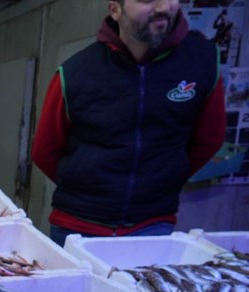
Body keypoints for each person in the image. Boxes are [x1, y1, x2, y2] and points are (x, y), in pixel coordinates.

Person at [32, 0, 226, 245]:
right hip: (77, 226)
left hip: (153, 225)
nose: (163, 7)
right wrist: (86, 185)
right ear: (115, 10)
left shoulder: (203, 62)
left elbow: (209, 139)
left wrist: (166, 177)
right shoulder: (73, 73)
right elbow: (44, 151)